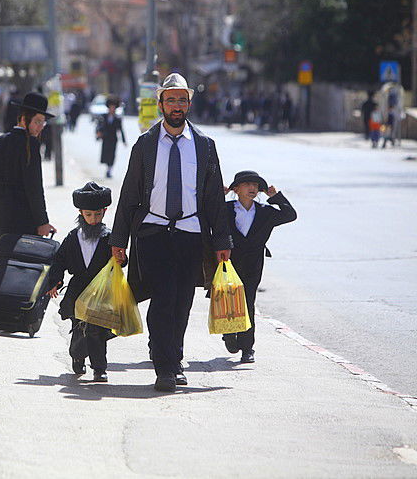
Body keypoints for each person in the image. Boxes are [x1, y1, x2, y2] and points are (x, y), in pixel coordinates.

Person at [109, 73, 232, 392]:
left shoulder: (204, 146)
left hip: (191, 233)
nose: (176, 106)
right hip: (153, 232)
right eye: (171, 99)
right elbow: (129, 193)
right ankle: (166, 366)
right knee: (163, 298)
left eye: (182, 100)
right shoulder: (146, 144)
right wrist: (118, 240)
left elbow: (213, 197)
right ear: (160, 104)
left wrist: (222, 239)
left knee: (182, 301)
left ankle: (173, 358)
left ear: (189, 104)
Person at [222, 171, 297, 363]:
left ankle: (247, 348)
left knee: (248, 301)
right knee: (230, 300)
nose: (252, 188)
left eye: (255, 185)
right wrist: (218, 196)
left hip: (253, 263)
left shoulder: (265, 211)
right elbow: (203, 215)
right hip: (228, 260)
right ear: (236, 189)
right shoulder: (225, 209)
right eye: (247, 184)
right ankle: (230, 335)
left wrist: (275, 197)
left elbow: (290, 215)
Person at [47, 182, 116, 382]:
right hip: (78, 291)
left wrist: (121, 260)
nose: (93, 219)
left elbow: (119, 261)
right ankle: (77, 356)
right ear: (81, 213)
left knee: (97, 330)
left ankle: (99, 368)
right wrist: (55, 281)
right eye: (88, 215)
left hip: (101, 291)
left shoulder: (109, 237)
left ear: (104, 211)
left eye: (97, 214)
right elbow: (59, 260)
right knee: (80, 328)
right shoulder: (73, 237)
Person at [0, 92, 57, 248]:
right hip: (24, 215)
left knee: (2, 253)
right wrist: (42, 222)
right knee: (21, 257)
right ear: (23, 118)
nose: (40, 127)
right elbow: (34, 188)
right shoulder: (31, 145)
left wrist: (1, 195)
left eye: (43, 123)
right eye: (37, 121)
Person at [96, 96, 126, 178]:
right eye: (110, 107)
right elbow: (99, 126)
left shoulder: (117, 118)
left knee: (112, 155)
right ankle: (107, 166)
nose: (112, 109)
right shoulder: (103, 117)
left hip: (113, 139)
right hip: (105, 138)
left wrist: (124, 141)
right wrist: (98, 134)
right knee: (106, 154)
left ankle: (109, 170)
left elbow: (121, 130)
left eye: (113, 107)